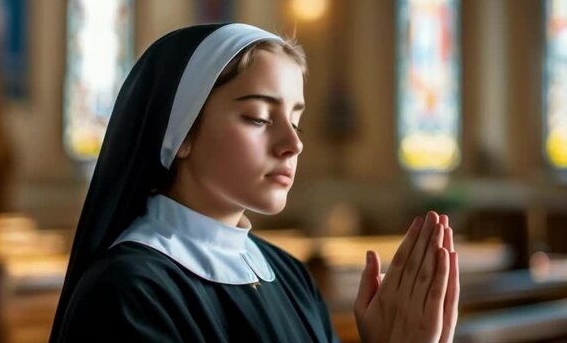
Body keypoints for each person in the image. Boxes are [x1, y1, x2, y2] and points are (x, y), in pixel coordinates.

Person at [50, 23, 459, 342]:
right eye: (259, 118)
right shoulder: (129, 293)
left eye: (295, 120)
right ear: (182, 135)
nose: (293, 143)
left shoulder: (289, 275)